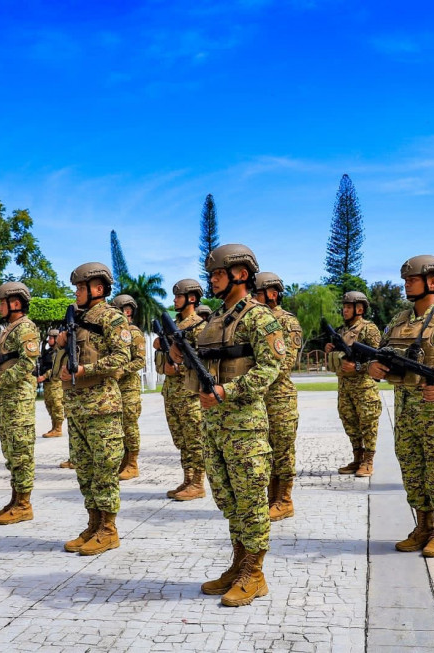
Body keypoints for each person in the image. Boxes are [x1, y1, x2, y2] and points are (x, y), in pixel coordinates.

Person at [177, 244, 282, 607]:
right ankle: (239, 564)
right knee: (229, 500)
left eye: (219, 272)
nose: (213, 279)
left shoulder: (259, 318)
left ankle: (255, 573)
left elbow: (271, 369)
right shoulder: (213, 322)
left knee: (252, 501)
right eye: (211, 274)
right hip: (214, 427)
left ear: (241, 274)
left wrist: (227, 391)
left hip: (244, 428)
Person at [368, 255, 434, 558]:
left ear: (431, 281)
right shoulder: (398, 321)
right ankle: (423, 527)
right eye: (404, 280)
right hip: (405, 411)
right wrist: (374, 368)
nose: (406, 285)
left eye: (411, 279)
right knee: (413, 471)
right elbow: (382, 355)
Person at [58, 264, 130, 554]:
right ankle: (93, 524)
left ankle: (108, 529)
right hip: (76, 407)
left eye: (80, 287)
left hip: (102, 406)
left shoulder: (112, 318)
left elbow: (121, 357)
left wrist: (86, 369)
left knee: (104, 470)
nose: (76, 292)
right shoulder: (76, 319)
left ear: (98, 289)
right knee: (85, 471)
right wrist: (61, 344)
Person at [0, 282, 41, 525]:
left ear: (15, 303)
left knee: (21, 451)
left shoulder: (25, 329)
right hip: (5, 401)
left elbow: (27, 365)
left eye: (2, 302)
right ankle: (15, 499)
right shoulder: (8, 329)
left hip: (18, 399)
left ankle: (24, 504)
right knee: (10, 452)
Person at [252, 272, 303, 520]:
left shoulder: (287, 322)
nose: (253, 298)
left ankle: (284, 500)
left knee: (282, 449)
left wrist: (251, 374)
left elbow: (285, 363)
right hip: (260, 396)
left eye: (257, 293)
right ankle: (272, 498)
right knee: (266, 450)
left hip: (279, 397)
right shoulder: (255, 320)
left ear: (272, 294)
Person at [156, 278, 208, 501]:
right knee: (182, 440)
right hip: (172, 393)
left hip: (190, 394)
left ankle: (198, 483)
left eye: (178, 296)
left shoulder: (199, 326)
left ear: (192, 298)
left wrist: (178, 366)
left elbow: (203, 360)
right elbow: (164, 359)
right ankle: (187, 479)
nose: (175, 300)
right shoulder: (173, 325)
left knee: (195, 439)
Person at [324, 291, 383, 477]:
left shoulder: (369, 329)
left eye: (349, 307)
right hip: (344, 387)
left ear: (360, 308)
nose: (344, 310)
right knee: (350, 423)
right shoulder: (342, 331)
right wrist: (330, 351)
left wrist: (357, 366)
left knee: (368, 424)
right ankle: (357, 458)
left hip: (364, 388)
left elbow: (378, 359)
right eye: (344, 307)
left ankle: (368, 461)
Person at [110, 294, 146, 481]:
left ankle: (133, 464)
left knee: (130, 426)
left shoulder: (134, 333)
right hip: (115, 388)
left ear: (127, 311)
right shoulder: (115, 334)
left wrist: (121, 370)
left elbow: (140, 360)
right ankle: (124, 462)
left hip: (129, 388)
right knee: (119, 427)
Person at [39, 329, 65, 439]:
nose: (49, 340)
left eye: (51, 338)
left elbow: (57, 367)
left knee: (56, 405)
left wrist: (44, 376)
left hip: (55, 383)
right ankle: (54, 426)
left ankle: (58, 428)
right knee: (49, 405)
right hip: (48, 384)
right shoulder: (49, 352)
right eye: (48, 338)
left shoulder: (59, 351)